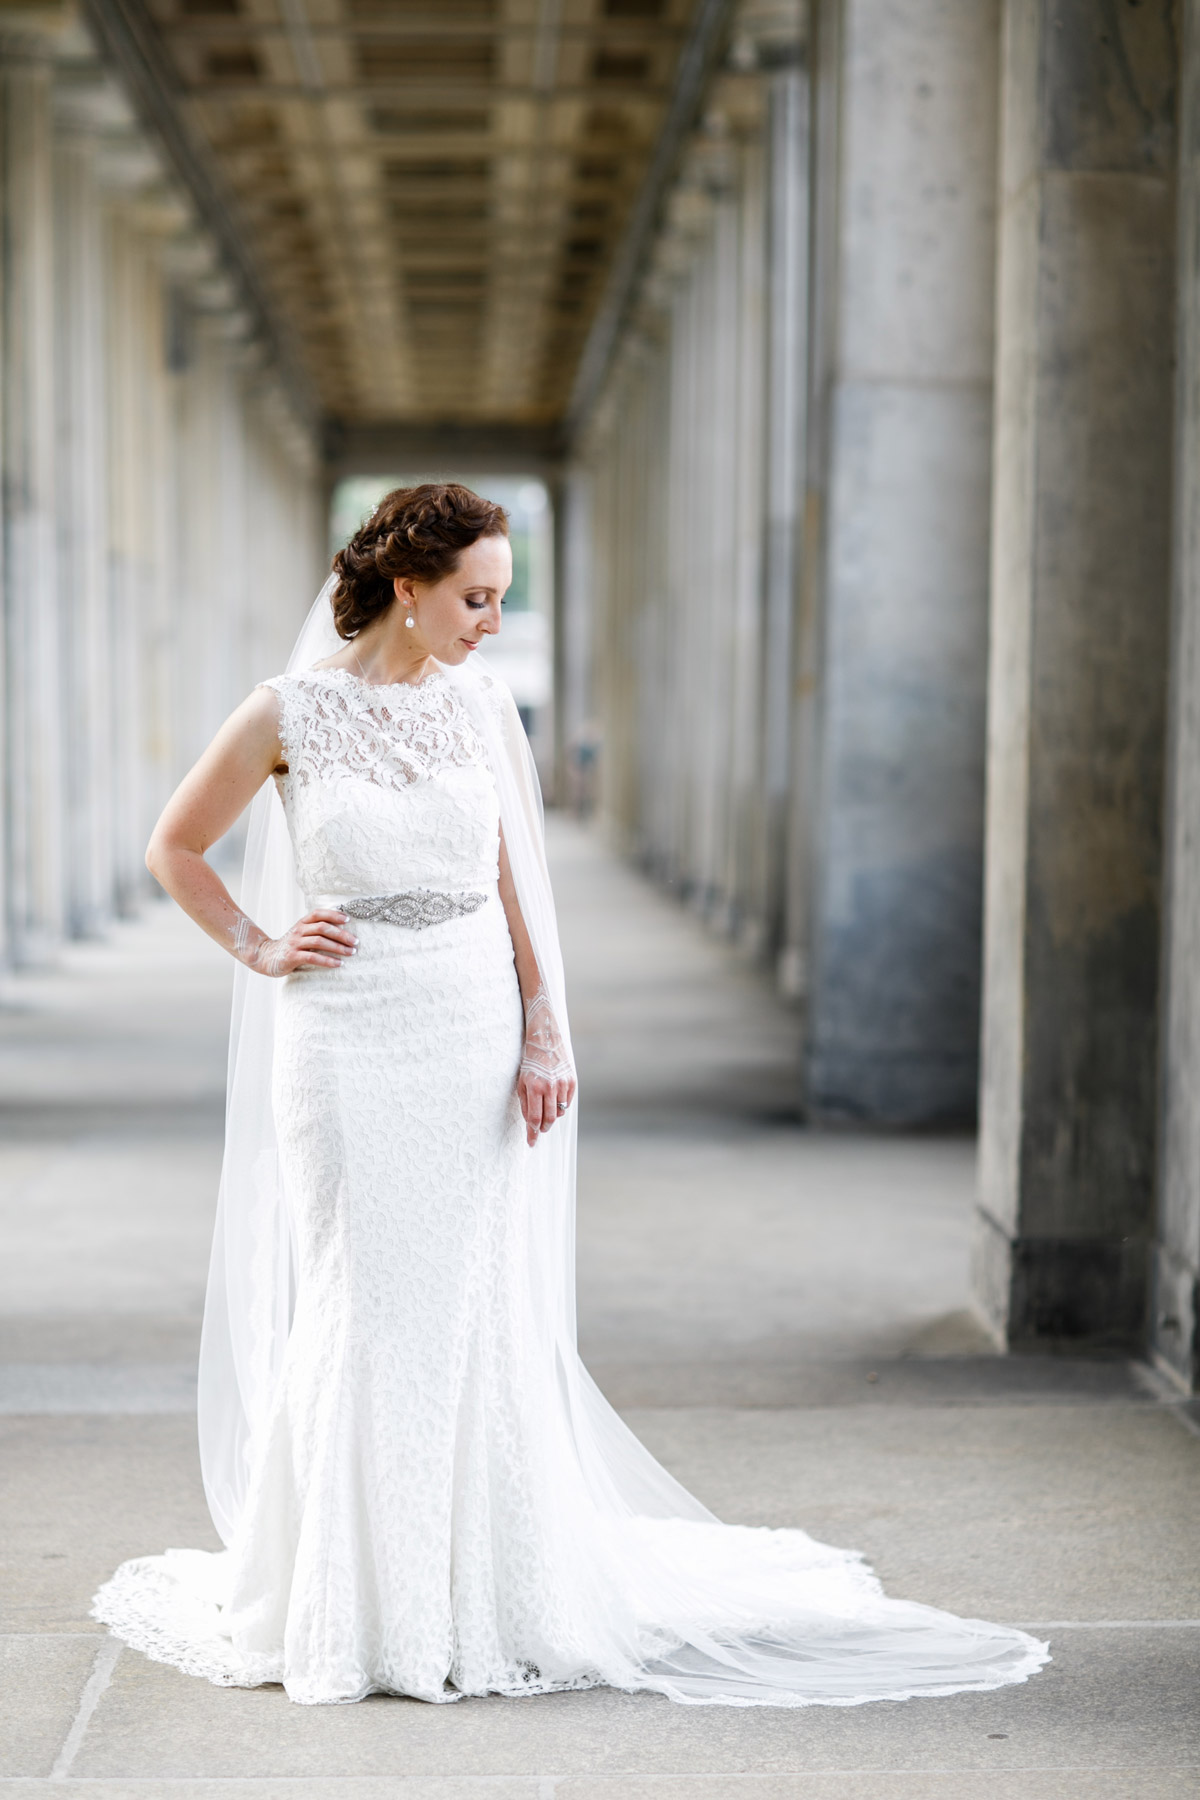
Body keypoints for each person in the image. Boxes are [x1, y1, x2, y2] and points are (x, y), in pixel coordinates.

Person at [92, 483, 1049, 1708]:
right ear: (408, 589)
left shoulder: (485, 707)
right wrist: (264, 944)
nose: (496, 618)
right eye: (477, 597)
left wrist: (546, 1026)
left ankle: (478, 1590)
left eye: (502, 595)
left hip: (469, 1024)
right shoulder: (290, 714)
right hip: (341, 1037)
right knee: (365, 1294)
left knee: (473, 1302)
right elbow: (174, 845)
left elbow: (513, 879)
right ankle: (356, 1600)